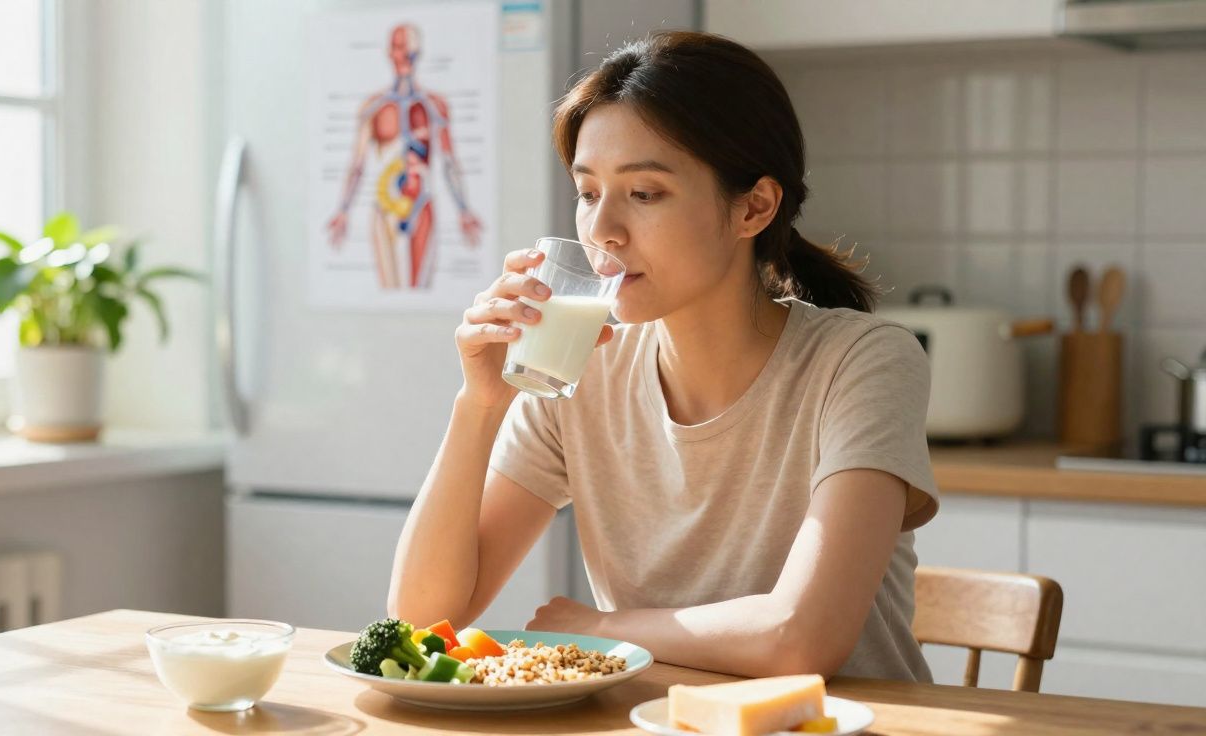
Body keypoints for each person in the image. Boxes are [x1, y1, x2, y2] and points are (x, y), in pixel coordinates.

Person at [387, 30, 939, 682]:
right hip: (657, 721)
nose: (602, 231)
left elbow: (800, 640)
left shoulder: (863, 362)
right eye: (588, 193)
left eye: (644, 194)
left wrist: (599, 629)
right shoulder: (580, 366)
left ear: (754, 208)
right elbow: (421, 621)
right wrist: (479, 403)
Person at [326, 22, 483, 290]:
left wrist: (463, 209)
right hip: (384, 208)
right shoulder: (373, 107)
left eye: (411, 49)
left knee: (419, 289)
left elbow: (448, 162)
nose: (407, 55)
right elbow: (357, 164)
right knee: (390, 290)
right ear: (390, 52)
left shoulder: (434, 106)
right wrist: (343, 210)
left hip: (421, 205)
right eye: (400, 47)